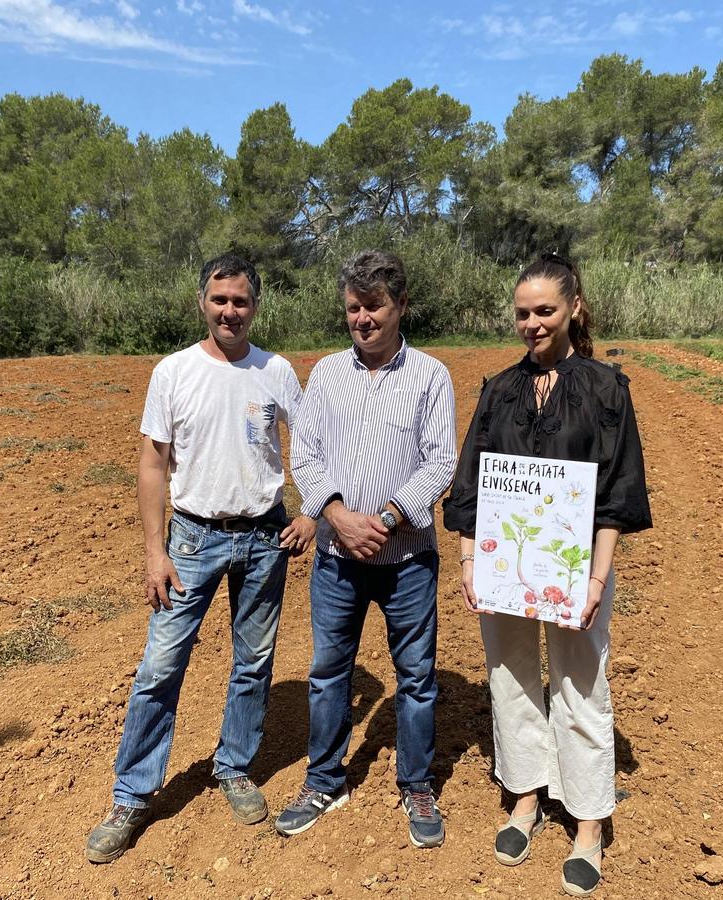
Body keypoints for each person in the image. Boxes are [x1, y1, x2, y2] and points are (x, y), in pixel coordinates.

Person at [85, 253, 316, 864]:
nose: (229, 311)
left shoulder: (276, 371)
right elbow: (152, 463)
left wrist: (312, 511)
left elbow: (312, 444)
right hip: (192, 538)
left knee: (254, 661)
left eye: (240, 301)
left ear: (255, 307)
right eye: (220, 300)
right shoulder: (174, 372)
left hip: (265, 536)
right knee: (161, 665)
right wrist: (154, 552)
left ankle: (234, 766)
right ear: (202, 303)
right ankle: (132, 795)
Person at [442, 253, 651, 895]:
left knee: (580, 684)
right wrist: (470, 562)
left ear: (573, 308)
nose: (532, 324)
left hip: (575, 571)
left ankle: (588, 824)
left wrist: (596, 581)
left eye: (545, 311)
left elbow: (615, 493)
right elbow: (472, 482)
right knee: (509, 678)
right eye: (522, 314)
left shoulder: (606, 389)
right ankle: (526, 796)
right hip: (506, 567)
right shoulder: (499, 390)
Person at [274, 249, 458, 849]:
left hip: (407, 560)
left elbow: (441, 462)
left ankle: (417, 785)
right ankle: (323, 780)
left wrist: (383, 519)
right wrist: (336, 517)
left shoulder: (430, 376)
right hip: (336, 559)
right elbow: (305, 456)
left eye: (374, 306)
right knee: (329, 673)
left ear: (401, 305)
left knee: (416, 678)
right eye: (354, 308)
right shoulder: (327, 375)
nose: (363, 319)